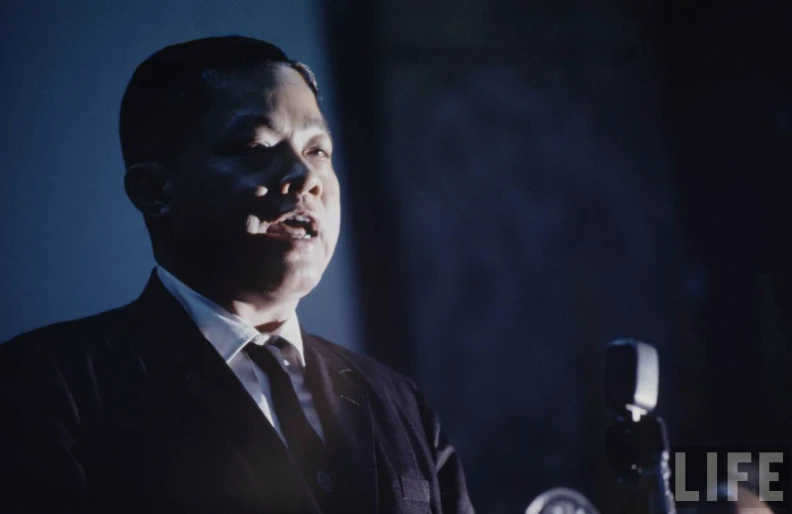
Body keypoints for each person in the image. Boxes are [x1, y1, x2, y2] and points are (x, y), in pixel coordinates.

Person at [0, 36, 474, 514]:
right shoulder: (47, 386)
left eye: (318, 150)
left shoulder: (399, 401)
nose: (304, 175)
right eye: (256, 145)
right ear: (154, 191)